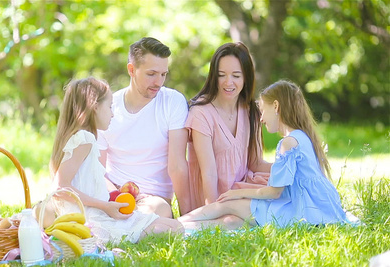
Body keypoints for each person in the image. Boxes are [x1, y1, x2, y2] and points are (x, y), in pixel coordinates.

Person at [178, 80, 348, 230]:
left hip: (296, 211)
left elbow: (275, 192)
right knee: (230, 215)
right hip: (317, 209)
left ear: (275, 106)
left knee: (225, 204)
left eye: (262, 110)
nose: (261, 119)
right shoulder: (303, 137)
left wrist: (238, 193)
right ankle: (180, 226)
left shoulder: (288, 143)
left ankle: (174, 224)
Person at [49, 77, 183, 244]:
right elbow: (60, 187)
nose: (112, 113)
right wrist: (105, 207)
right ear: (95, 107)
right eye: (110, 106)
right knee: (175, 229)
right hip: (92, 222)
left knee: (174, 225)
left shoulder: (83, 138)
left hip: (95, 214)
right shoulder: (83, 139)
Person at [97, 37, 190, 218]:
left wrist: (186, 216)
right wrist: (114, 197)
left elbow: (178, 166)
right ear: (131, 70)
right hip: (112, 191)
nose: (158, 82)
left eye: (163, 74)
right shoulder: (109, 106)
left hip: (152, 199)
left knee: (156, 211)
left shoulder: (173, 102)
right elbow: (97, 170)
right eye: (151, 74)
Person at [182, 42, 271, 216]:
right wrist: (214, 209)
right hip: (213, 197)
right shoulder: (201, 113)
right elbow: (208, 172)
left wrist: (292, 168)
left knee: (286, 192)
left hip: (241, 191)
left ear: (246, 78)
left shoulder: (250, 111)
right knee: (242, 218)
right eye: (221, 75)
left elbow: (256, 163)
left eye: (236, 76)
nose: (228, 82)